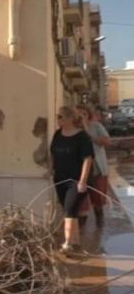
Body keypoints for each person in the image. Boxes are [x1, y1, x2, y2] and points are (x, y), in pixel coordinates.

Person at [50, 106, 94, 253]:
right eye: (58, 116)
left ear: (70, 119)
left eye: (61, 117)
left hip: (76, 180)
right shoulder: (57, 134)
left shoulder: (82, 137)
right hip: (60, 179)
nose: (58, 119)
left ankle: (67, 243)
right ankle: (76, 242)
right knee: (70, 210)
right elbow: (53, 153)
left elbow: (88, 159)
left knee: (69, 209)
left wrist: (83, 181)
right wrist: (51, 170)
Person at [76, 104, 111, 227]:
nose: (81, 117)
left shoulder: (96, 126)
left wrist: (88, 132)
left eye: (84, 114)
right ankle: (81, 228)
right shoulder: (72, 129)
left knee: (98, 199)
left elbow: (107, 142)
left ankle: (99, 220)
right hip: (79, 171)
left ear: (88, 115)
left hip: (97, 169)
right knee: (81, 200)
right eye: (78, 115)